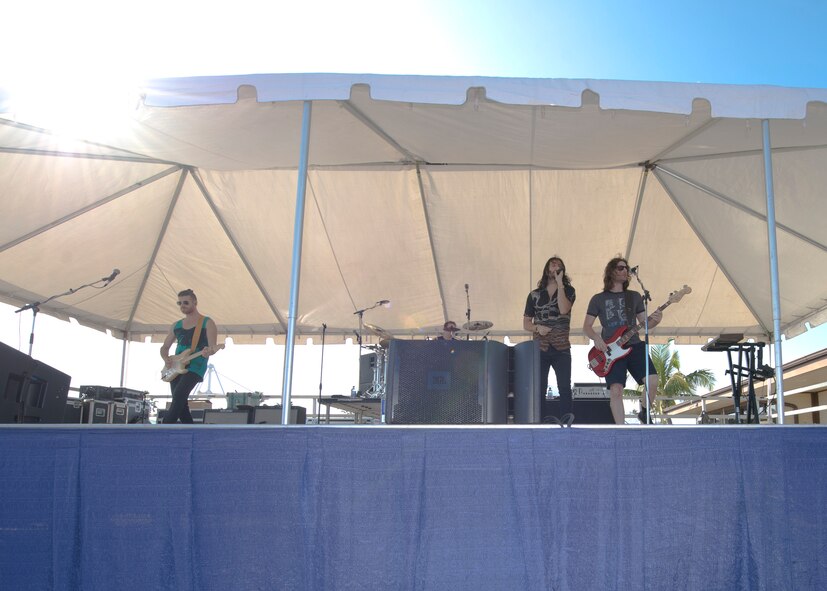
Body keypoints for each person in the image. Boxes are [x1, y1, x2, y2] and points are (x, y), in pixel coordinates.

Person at [583, 257, 662, 424]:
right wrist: (597, 338)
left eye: (626, 268)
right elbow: (587, 326)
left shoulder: (634, 296)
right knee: (616, 390)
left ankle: (644, 411)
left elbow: (645, 324)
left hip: (635, 345)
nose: (625, 270)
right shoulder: (598, 299)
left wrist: (656, 320)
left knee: (652, 380)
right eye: (620, 268)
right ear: (611, 272)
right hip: (610, 350)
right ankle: (621, 430)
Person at [523, 256, 576, 421]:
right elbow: (526, 323)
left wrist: (560, 284)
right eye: (552, 264)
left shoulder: (569, 290)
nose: (555, 265)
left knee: (564, 386)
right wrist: (537, 327)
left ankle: (566, 421)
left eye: (559, 264)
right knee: (539, 387)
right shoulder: (534, 294)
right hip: (540, 346)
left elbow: (564, 309)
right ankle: (540, 421)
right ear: (546, 269)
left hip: (561, 346)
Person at [160, 289, 218, 423]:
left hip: (195, 366)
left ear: (195, 302)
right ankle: (192, 430)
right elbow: (164, 347)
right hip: (175, 365)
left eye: (186, 302)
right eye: (179, 303)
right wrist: (166, 358)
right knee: (180, 403)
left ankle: (164, 427)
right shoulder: (176, 325)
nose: (182, 305)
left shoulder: (207, 322)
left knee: (179, 396)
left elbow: (212, 347)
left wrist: (209, 351)